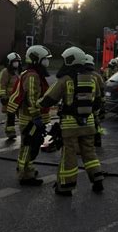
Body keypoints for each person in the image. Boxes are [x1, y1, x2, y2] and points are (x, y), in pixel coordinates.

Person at [38, 47, 104, 196]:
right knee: (89, 152)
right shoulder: (92, 78)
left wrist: (38, 104)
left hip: (70, 125)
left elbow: (50, 98)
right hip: (89, 123)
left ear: (70, 60)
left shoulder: (66, 79)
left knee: (69, 155)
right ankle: (97, 179)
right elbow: (98, 101)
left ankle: (66, 186)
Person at [7, 45, 52, 186]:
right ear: (37, 59)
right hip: (30, 119)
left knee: (32, 145)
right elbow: (31, 98)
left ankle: (28, 169)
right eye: (45, 59)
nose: (47, 62)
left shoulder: (34, 73)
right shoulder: (32, 75)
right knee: (29, 146)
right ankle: (25, 175)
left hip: (31, 118)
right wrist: (36, 116)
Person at [0, 52, 22, 139]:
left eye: (18, 61)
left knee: (23, 116)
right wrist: (2, 96)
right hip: (9, 99)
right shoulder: (5, 72)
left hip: (20, 98)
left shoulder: (20, 72)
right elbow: (2, 85)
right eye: (14, 61)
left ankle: (25, 131)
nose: (16, 63)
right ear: (9, 62)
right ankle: (10, 131)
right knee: (10, 116)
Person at [85, 54, 105, 147]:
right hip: (95, 105)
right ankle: (97, 140)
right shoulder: (97, 76)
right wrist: (102, 106)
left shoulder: (79, 75)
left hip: (83, 105)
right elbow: (101, 91)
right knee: (96, 122)